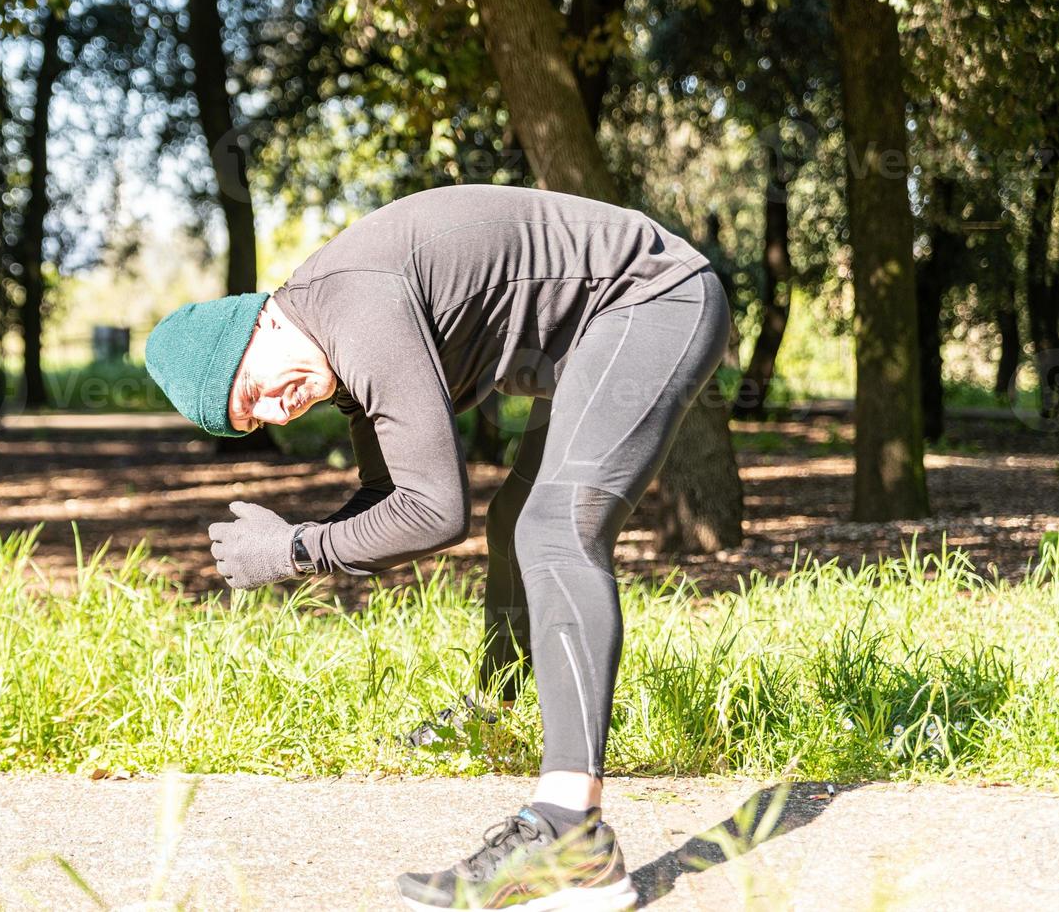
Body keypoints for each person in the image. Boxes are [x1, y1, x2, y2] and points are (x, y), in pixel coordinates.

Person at [143, 184, 730, 911]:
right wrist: (296, 546)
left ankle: (570, 833)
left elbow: (432, 513)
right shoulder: (332, 344)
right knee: (518, 515)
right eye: (253, 418)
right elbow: (390, 496)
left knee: (554, 527)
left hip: (652, 297)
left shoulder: (354, 311)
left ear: (257, 327)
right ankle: (499, 710)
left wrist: (292, 551)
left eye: (254, 390)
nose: (277, 410)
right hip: (592, 335)